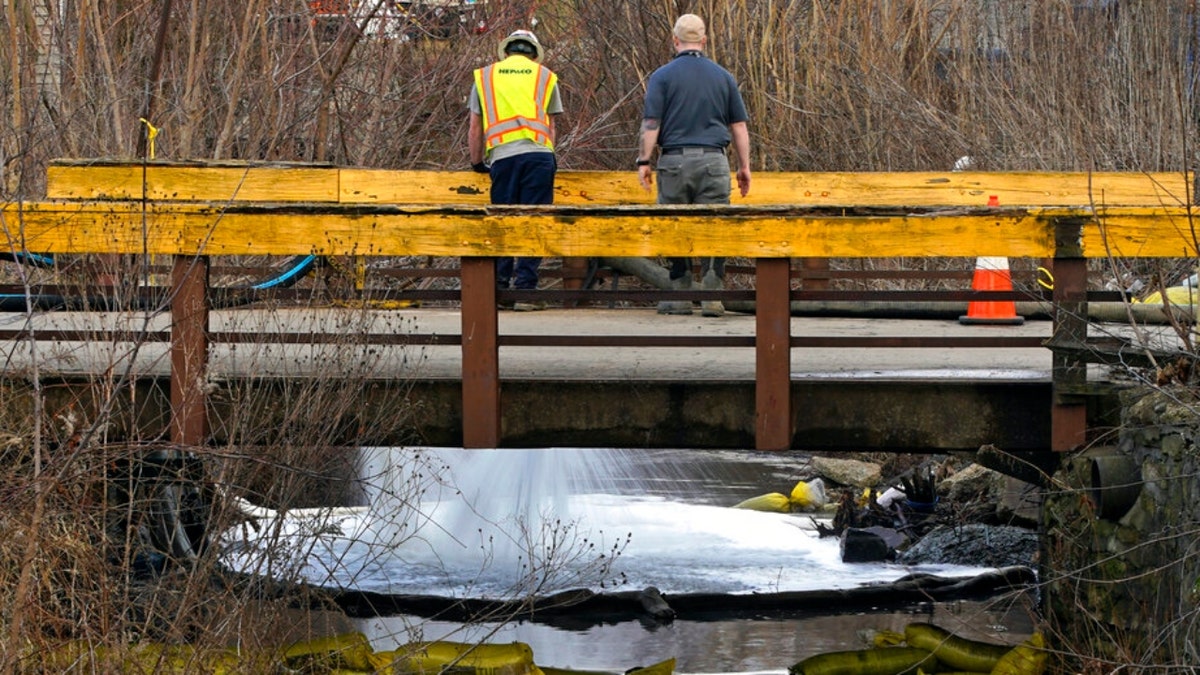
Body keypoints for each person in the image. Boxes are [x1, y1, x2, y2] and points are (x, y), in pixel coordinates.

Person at [636, 14, 751, 317]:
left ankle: (680, 296)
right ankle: (712, 297)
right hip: (714, 159)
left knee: (674, 226)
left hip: (674, 160)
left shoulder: (662, 76)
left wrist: (644, 161)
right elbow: (738, 126)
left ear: (675, 41)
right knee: (715, 226)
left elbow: (651, 123)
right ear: (703, 41)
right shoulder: (723, 76)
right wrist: (744, 167)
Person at [468, 29, 562, 311]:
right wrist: (548, 156)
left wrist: (476, 163)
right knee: (534, 221)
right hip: (539, 157)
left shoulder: (484, 77)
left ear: (506, 51)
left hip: (503, 158)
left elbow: (475, 127)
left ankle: (499, 289)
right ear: (534, 53)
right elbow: (552, 126)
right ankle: (526, 291)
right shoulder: (545, 76)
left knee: (503, 220)